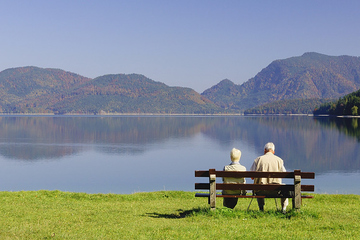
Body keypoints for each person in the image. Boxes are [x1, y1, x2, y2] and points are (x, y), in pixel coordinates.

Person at [250, 142, 288, 212]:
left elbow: (252, 176)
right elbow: (284, 174)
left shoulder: (258, 160)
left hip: (260, 191)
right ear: (273, 152)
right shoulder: (279, 160)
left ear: (265, 150)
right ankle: (283, 209)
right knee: (285, 187)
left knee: (258, 185)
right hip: (276, 191)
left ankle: (261, 209)